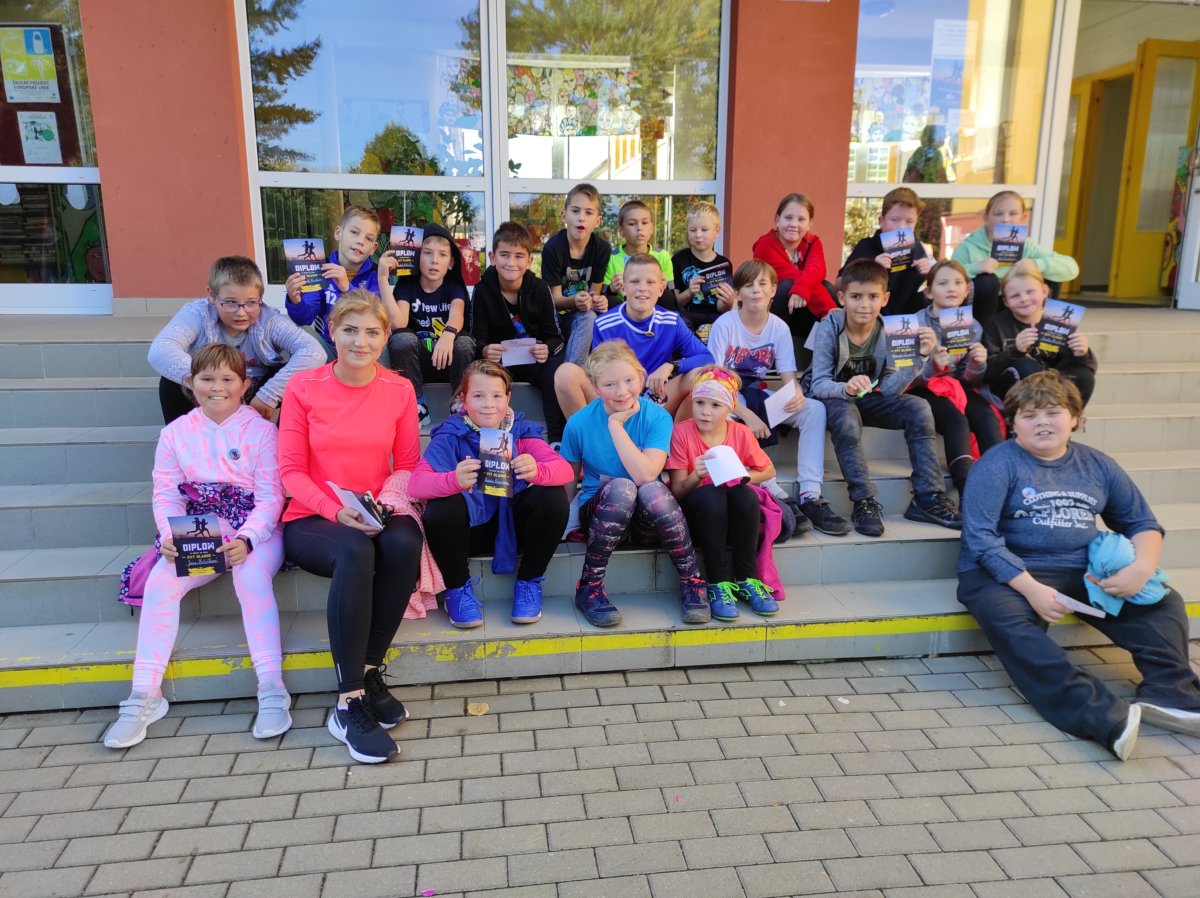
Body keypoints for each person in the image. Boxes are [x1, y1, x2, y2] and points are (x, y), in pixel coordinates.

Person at [958, 371, 1200, 759]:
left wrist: (1141, 568)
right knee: (1013, 625)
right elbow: (981, 540)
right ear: (1012, 423)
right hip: (1003, 574)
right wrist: (1033, 590)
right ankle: (1101, 717)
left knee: (1163, 601)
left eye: (1053, 412)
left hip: (1080, 568)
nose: (1042, 423)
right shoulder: (996, 465)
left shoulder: (1097, 465)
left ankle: (1172, 693)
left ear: (1076, 419)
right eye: (1029, 415)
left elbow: (1141, 522)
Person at [104, 344, 289, 749]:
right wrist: (170, 534)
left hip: (255, 529)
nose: (217, 387)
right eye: (207, 378)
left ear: (245, 385)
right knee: (161, 582)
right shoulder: (175, 433)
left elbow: (271, 497)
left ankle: (271, 687)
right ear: (191, 383)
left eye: (227, 379)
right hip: (201, 526)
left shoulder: (262, 431)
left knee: (251, 578)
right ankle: (144, 694)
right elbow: (166, 493)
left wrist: (248, 538)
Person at [279, 290, 424, 765]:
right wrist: (334, 509)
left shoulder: (399, 390)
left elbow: (408, 464)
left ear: (385, 338)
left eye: (372, 332)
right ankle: (347, 702)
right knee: (355, 551)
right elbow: (290, 472)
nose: (361, 342)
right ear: (332, 332)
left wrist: (382, 507)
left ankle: (369, 670)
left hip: (373, 510)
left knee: (405, 541)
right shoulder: (303, 387)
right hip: (313, 517)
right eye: (350, 330)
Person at [806, 259, 961, 537]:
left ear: (885, 299)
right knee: (847, 416)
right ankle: (864, 501)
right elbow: (818, 384)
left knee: (919, 407)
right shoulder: (830, 325)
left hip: (865, 399)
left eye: (872, 297)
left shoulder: (890, 330)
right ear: (842, 298)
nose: (864, 305)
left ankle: (928, 497)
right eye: (856, 296)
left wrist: (920, 357)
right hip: (833, 399)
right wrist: (845, 388)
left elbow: (889, 390)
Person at [411, 360, 572, 627]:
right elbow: (416, 485)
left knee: (552, 496)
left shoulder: (520, 430)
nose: (489, 404)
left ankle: (529, 582)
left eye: (497, 395)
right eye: (478, 396)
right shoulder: (451, 433)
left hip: (514, 528)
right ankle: (457, 588)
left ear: (508, 398)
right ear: (463, 399)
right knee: (441, 506)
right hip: (469, 531)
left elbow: (564, 471)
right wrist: (453, 479)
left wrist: (537, 470)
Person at [559, 340, 708, 628]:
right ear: (595, 386)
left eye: (629, 380)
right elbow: (567, 483)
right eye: (610, 384)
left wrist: (616, 426)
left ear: (641, 377)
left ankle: (692, 580)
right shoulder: (578, 423)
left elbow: (647, 475)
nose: (622, 391)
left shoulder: (657, 416)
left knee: (650, 488)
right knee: (622, 487)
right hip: (601, 515)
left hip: (646, 519)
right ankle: (589, 586)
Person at [707, 260, 848, 536]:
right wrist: (748, 415)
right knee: (728, 414)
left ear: (773, 290)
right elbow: (715, 383)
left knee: (814, 410)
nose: (756, 290)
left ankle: (810, 494)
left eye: (763, 284)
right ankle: (770, 488)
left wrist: (796, 393)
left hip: (758, 393)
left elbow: (788, 377)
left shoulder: (779, 328)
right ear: (738, 292)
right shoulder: (725, 325)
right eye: (748, 285)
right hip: (729, 397)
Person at [149, 256, 324, 425]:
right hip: (209, 390)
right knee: (170, 382)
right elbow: (161, 349)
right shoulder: (198, 314)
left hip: (253, 392)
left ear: (261, 298)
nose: (241, 313)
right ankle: (183, 437)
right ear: (212, 295)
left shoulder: (269, 321)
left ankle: (274, 438)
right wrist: (208, 381)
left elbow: (314, 352)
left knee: (294, 377)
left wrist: (269, 394)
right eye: (230, 302)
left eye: (251, 302)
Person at [666, 366, 779, 620]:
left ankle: (746, 578)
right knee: (712, 494)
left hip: (731, 516)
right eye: (699, 403)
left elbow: (768, 469)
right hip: (699, 514)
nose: (705, 411)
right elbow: (677, 492)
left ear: (730, 408)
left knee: (745, 493)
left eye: (715, 405)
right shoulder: (681, 432)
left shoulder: (740, 432)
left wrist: (742, 477)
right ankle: (717, 583)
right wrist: (696, 476)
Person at [555, 254, 713, 418]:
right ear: (623, 288)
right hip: (617, 397)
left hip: (655, 398)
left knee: (699, 375)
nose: (642, 288)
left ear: (661, 288)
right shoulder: (604, 324)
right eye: (635, 281)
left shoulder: (672, 321)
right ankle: (589, 433)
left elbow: (707, 358)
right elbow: (599, 373)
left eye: (650, 282)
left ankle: (675, 434)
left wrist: (671, 366)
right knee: (566, 373)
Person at [909, 260, 1002, 497]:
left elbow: (969, 380)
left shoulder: (973, 326)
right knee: (956, 419)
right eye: (943, 283)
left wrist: (977, 364)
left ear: (967, 289)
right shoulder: (914, 324)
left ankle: (1001, 483)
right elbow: (902, 377)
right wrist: (931, 365)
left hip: (957, 387)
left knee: (986, 416)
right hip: (922, 387)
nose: (952, 288)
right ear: (929, 292)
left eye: (958, 283)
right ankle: (967, 489)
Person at [472, 221, 568, 442]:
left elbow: (556, 337)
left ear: (529, 261)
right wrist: (485, 350)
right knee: (485, 376)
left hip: (534, 360)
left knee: (555, 369)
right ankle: (492, 442)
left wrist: (547, 348)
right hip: (500, 362)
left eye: (519, 256)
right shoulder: (482, 290)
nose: (511, 263)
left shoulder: (541, 288)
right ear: (492, 257)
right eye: (504, 255)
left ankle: (557, 440)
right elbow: (476, 337)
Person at [382, 222, 476, 428]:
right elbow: (399, 323)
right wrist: (383, 279)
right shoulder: (407, 286)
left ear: (451, 262)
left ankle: (459, 401)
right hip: (418, 363)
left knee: (465, 343)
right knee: (401, 339)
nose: (434, 260)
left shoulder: (453, 286)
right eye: (427, 253)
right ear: (417, 257)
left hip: (449, 358)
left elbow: (457, 314)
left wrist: (448, 335)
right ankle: (417, 404)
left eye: (442, 255)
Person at [952, 190, 1079, 323]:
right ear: (986, 218)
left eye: (1013, 214)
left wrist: (1036, 265)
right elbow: (946, 277)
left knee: (1052, 273)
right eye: (998, 214)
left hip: (1019, 302)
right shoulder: (969, 246)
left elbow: (1071, 268)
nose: (1005, 219)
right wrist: (975, 268)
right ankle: (985, 332)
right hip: (984, 308)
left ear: (1023, 218)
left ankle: (1045, 330)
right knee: (987, 281)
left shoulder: (1027, 245)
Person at [982, 259, 1097, 406]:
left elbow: (1088, 367)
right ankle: (1022, 416)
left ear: (1044, 291)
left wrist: (1081, 353)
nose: (1024, 299)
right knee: (1027, 366)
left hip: (1052, 384)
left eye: (1030, 292)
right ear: (1005, 302)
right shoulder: (995, 324)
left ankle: (1068, 415)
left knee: (1084, 376)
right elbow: (988, 372)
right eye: (1015, 296)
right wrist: (1015, 351)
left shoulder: (1058, 319)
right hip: (1012, 387)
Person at [284, 205, 385, 359]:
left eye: (369, 238)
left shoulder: (376, 275)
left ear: (373, 248)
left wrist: (347, 288)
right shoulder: (319, 270)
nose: (360, 241)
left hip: (363, 350)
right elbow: (304, 319)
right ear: (338, 233)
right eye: (354, 232)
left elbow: (375, 318)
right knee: (302, 332)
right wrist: (295, 301)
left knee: (384, 340)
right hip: (329, 349)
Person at [752, 193, 836, 351]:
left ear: (809, 224)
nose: (794, 224)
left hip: (799, 311)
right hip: (769, 312)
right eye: (788, 218)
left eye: (801, 219)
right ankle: (772, 350)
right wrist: (831, 312)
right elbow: (792, 276)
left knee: (827, 287)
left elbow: (817, 268)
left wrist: (802, 290)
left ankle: (816, 350)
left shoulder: (813, 242)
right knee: (787, 286)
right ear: (777, 219)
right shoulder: (765, 246)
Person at [541, 183, 611, 367]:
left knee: (591, 316)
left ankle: (574, 373)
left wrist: (599, 301)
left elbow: (594, 293)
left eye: (589, 212)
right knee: (584, 316)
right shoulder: (553, 248)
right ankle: (570, 376)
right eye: (575, 211)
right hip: (555, 316)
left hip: (582, 315)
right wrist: (574, 301)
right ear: (564, 216)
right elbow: (554, 300)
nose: (581, 218)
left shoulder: (602, 249)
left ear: (598, 220)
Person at [841, 187, 934, 317]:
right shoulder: (867, 247)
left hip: (904, 319)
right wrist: (871, 268)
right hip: (869, 318)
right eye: (895, 220)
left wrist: (930, 275)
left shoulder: (918, 249)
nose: (901, 227)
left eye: (909, 221)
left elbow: (929, 293)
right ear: (881, 221)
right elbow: (839, 284)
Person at [671, 200, 737, 338]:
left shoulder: (724, 264)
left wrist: (729, 301)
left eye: (704, 230)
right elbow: (675, 303)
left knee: (729, 324)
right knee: (679, 323)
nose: (698, 235)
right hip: (687, 314)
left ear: (717, 231)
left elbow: (722, 308)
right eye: (693, 230)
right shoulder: (678, 260)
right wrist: (689, 292)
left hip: (714, 316)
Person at [603, 200, 675, 303]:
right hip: (621, 307)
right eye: (632, 224)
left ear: (651, 228)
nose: (639, 228)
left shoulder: (662, 256)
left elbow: (671, 296)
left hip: (653, 306)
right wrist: (611, 289)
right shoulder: (611, 258)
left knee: (667, 297)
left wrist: (664, 286)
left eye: (644, 223)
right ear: (621, 230)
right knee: (611, 301)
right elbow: (603, 296)